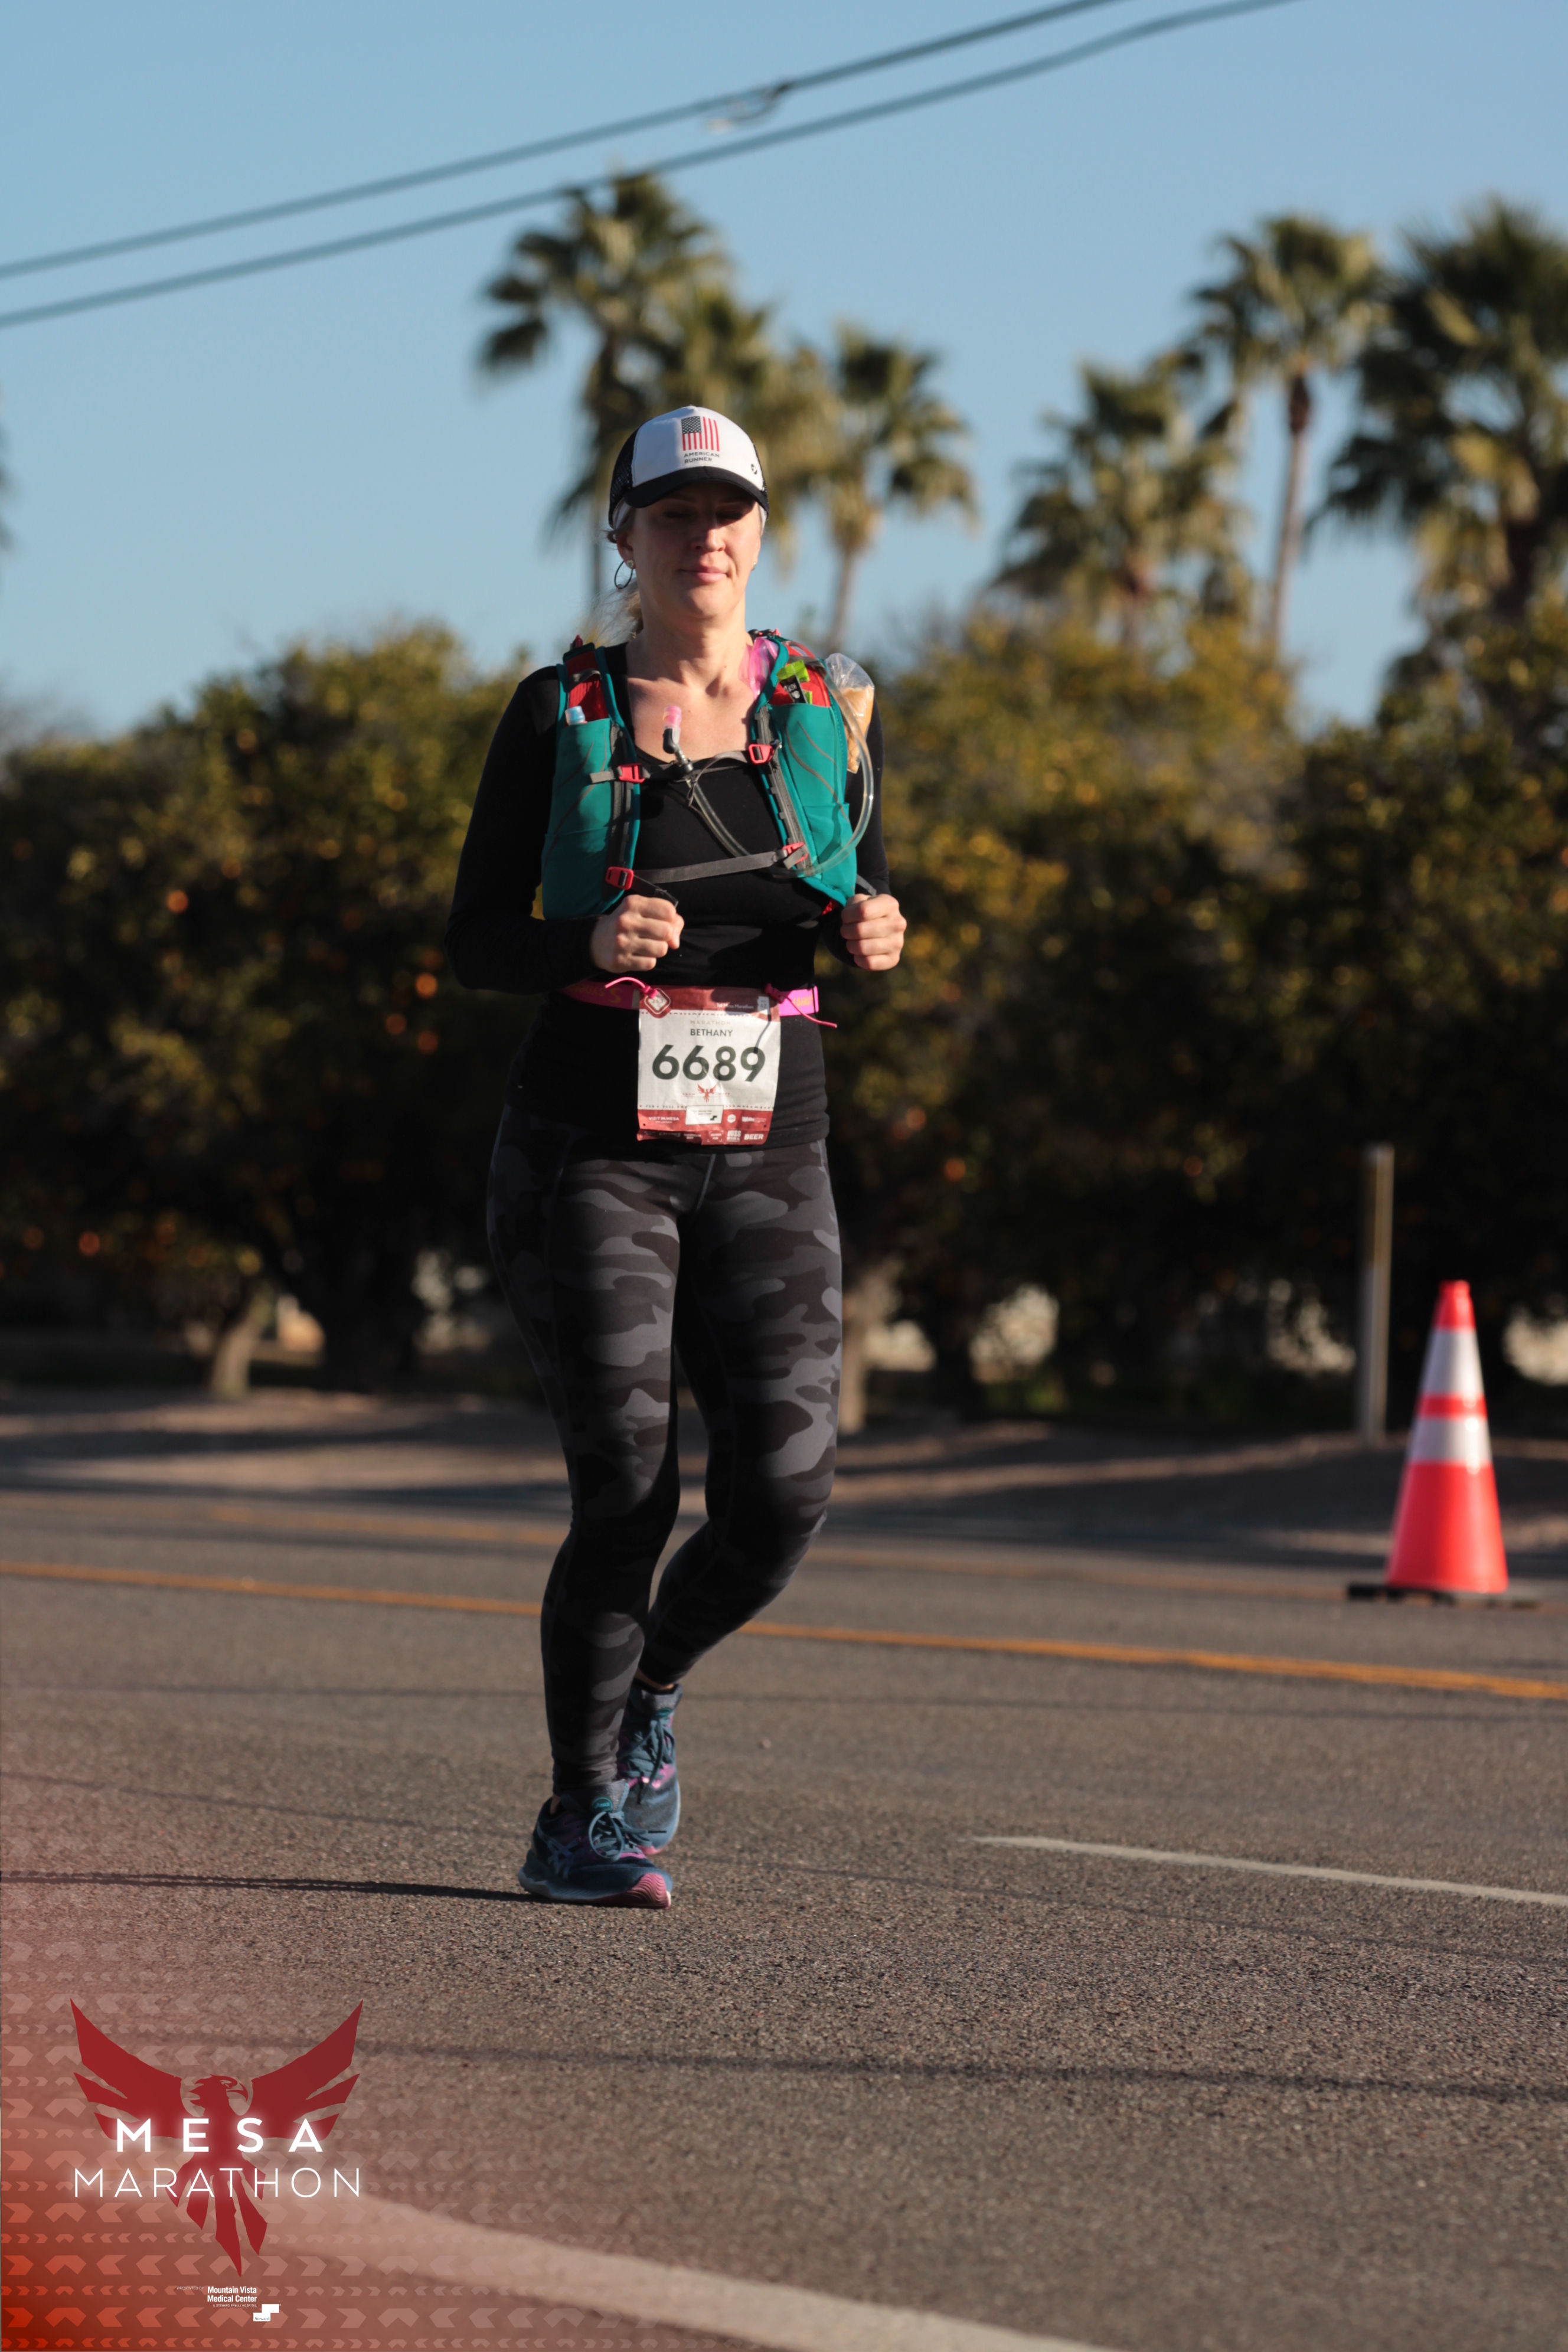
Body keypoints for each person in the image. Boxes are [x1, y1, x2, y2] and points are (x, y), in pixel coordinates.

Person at [446, 404, 906, 1907]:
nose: (701, 536)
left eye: (726, 511)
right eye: (671, 512)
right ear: (623, 535)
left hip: (772, 1134)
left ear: (760, 534)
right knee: (627, 1492)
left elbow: (857, 895)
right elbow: (472, 939)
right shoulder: (557, 711)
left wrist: (878, 930)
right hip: (594, 1146)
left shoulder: (830, 704)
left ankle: (649, 1686)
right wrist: (585, 941)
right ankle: (579, 1817)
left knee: (784, 1494)